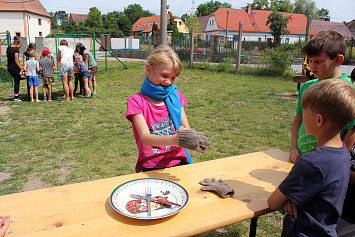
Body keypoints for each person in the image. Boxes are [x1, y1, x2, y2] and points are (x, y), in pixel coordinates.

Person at [268, 79, 355, 237]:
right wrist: (291, 198)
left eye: (304, 111)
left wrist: (288, 198)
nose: (302, 116)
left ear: (319, 120)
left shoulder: (310, 161)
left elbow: (273, 202)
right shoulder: (343, 153)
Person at [126, 45, 210, 173]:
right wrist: (175, 140)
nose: (168, 82)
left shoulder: (176, 96)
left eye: (173, 77)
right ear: (149, 70)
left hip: (179, 160)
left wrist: (187, 135)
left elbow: (185, 126)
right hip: (152, 165)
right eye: (164, 75)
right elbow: (145, 137)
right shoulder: (136, 101)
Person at [289, 30, 355, 163]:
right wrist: (293, 148)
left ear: (338, 60)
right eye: (310, 60)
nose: (312, 66)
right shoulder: (307, 86)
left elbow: (351, 131)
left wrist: (338, 161)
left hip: (326, 162)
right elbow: (298, 119)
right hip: (302, 157)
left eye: (318, 61)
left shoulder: (348, 90)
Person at [6, 36, 23, 101]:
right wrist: (21, 68)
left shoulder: (8, 48)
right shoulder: (15, 50)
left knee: (16, 81)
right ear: (17, 43)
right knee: (17, 82)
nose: (20, 47)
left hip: (9, 66)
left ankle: (16, 95)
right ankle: (16, 97)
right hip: (14, 67)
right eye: (20, 45)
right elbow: (16, 60)